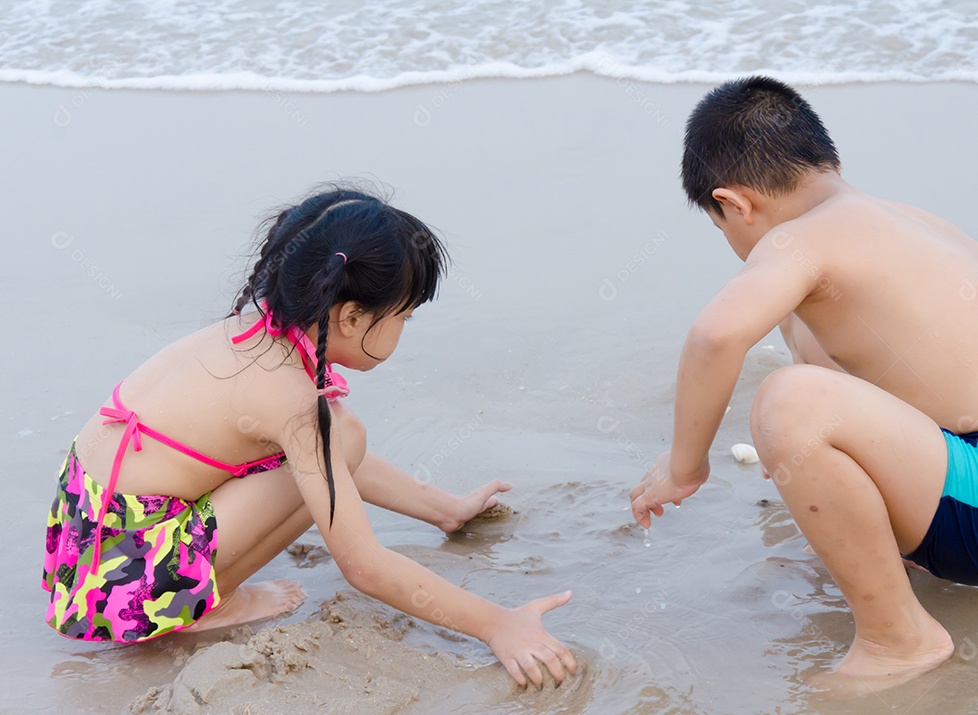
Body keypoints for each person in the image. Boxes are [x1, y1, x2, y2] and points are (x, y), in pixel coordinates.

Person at [630, 76, 978, 695]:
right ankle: (886, 554)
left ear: (735, 204)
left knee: (789, 402)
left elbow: (715, 337)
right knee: (801, 341)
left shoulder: (796, 242)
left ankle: (898, 638)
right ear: (826, 160)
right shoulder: (901, 221)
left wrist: (684, 466)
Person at [42, 187, 577, 689]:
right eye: (405, 317)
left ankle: (199, 584)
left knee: (338, 438)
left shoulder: (254, 332)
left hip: (83, 545)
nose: (405, 328)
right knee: (335, 437)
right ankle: (209, 606)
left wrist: (446, 509)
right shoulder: (290, 399)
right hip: (122, 587)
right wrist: (498, 625)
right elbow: (364, 566)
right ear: (351, 317)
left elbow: (334, 460)